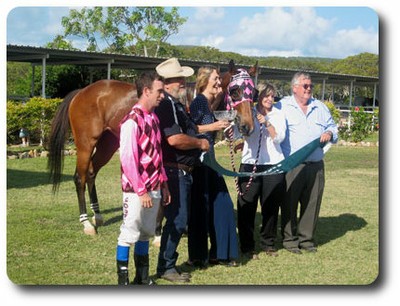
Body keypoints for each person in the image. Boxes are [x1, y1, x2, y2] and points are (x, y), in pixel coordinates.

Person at [155, 58, 210, 283]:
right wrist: (199, 143)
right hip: (176, 170)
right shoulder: (167, 105)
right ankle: (166, 267)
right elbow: (175, 139)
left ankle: (167, 264)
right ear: (168, 83)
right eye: (179, 79)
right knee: (178, 219)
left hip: (182, 169)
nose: (183, 83)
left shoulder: (174, 104)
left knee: (179, 219)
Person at [116, 71, 171, 285]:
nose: (162, 96)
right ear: (146, 91)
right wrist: (141, 190)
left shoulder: (154, 118)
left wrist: (163, 183)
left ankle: (142, 277)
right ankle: (123, 281)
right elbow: (128, 159)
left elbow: (158, 154)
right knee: (129, 233)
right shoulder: (131, 121)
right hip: (137, 191)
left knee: (146, 233)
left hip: (155, 187)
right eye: (159, 91)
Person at [278, 72, 338, 254]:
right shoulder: (282, 106)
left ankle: (306, 240)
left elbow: (333, 127)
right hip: (292, 165)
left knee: (312, 203)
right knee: (289, 203)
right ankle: (289, 240)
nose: (309, 88)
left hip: (316, 164)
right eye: (305, 85)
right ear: (294, 87)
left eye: (311, 85)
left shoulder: (320, 107)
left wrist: (330, 134)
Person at [187, 65, 239, 268]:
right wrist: (213, 126)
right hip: (200, 161)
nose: (220, 82)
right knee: (202, 208)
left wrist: (223, 131)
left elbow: (203, 129)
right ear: (205, 81)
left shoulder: (207, 104)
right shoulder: (199, 102)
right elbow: (190, 128)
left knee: (222, 205)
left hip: (210, 160)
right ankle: (199, 256)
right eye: (216, 79)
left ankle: (219, 253)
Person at [236, 84, 286, 259]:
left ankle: (268, 243)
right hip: (250, 164)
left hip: (273, 165)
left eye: (273, 96)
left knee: (271, 207)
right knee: (246, 206)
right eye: (266, 96)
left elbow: (279, 138)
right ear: (258, 96)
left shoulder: (278, 115)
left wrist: (268, 123)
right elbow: (239, 132)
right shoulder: (248, 112)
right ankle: (247, 246)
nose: (270, 99)